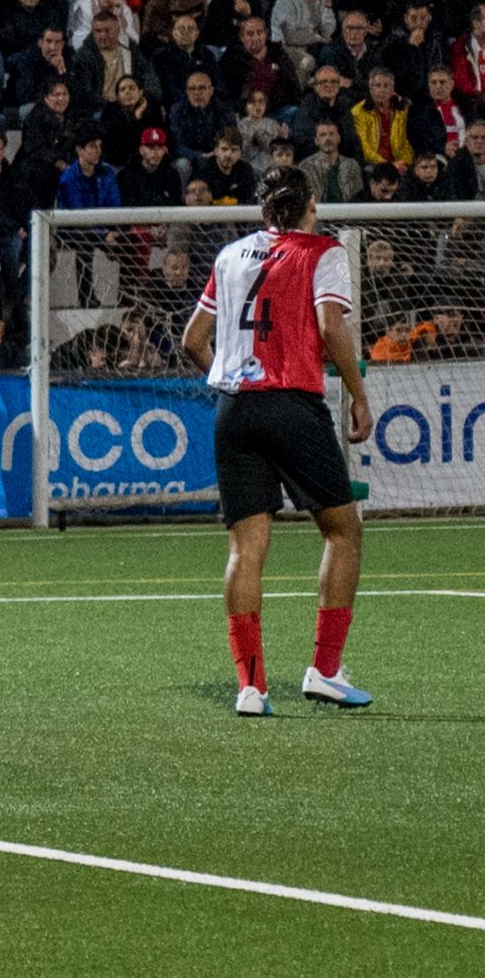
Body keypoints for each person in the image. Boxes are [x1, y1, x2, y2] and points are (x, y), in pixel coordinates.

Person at [179, 173, 372, 717]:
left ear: (265, 210)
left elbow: (194, 339)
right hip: (291, 402)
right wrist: (358, 395)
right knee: (343, 530)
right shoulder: (323, 252)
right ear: (311, 206)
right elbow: (331, 328)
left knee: (245, 550)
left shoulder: (230, 255)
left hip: (234, 409)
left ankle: (250, 689)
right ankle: (325, 671)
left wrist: (230, 377)